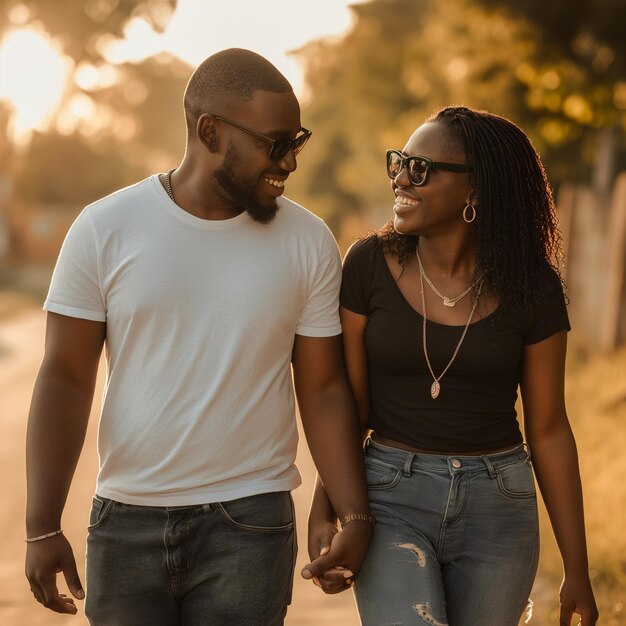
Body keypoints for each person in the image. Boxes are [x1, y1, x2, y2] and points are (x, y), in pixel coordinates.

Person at [25, 48, 373, 625]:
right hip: (127, 521)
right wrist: (42, 523)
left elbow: (324, 389)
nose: (289, 162)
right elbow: (64, 378)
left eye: (297, 141)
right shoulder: (104, 228)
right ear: (209, 131)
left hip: (252, 523)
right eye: (275, 142)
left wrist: (354, 514)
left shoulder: (308, 241)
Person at [304, 106, 599, 626]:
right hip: (392, 494)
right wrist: (330, 506)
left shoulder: (533, 288)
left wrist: (577, 567)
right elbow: (352, 406)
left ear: (475, 192)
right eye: (399, 162)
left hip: (499, 503)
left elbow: (549, 429)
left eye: (421, 169)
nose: (400, 178)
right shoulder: (368, 264)